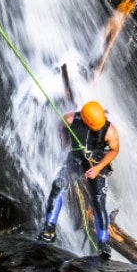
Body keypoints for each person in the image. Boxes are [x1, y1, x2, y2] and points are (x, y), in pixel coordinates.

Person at [38, 101, 119, 259]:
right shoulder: (70, 120)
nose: (98, 129)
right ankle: (49, 230)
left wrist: (97, 168)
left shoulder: (109, 130)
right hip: (76, 158)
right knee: (58, 186)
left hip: (97, 160)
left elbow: (115, 150)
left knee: (98, 200)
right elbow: (60, 128)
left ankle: (103, 244)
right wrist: (66, 144)